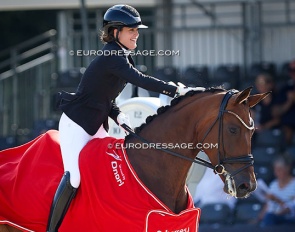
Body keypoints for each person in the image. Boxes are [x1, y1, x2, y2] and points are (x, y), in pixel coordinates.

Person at [46, 4, 199, 232]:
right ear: (115, 32)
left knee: (106, 173)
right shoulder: (111, 56)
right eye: (131, 30)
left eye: (137, 30)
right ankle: (52, 228)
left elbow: (107, 97)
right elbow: (140, 80)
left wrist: (119, 117)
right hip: (76, 124)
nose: (136, 34)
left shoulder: (121, 57)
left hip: (97, 125)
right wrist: (174, 90)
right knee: (75, 177)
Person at [256, 154, 295, 227]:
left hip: (288, 220)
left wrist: (276, 200)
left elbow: (291, 208)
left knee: (269, 217)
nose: (276, 173)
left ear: (287, 168)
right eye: (275, 170)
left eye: (279, 170)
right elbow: (268, 205)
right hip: (271, 218)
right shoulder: (273, 184)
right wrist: (258, 219)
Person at [273, 60, 295, 145]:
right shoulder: (285, 89)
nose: (293, 73)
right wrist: (289, 102)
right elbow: (275, 112)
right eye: (291, 70)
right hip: (288, 125)